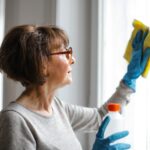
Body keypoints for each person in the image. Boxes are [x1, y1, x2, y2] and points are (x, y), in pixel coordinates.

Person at [0, 24, 149, 150]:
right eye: (66, 53)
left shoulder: (57, 107)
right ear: (42, 63)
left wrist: (130, 78)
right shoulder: (15, 119)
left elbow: (101, 117)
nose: (73, 60)